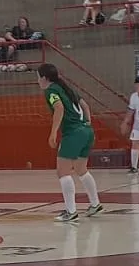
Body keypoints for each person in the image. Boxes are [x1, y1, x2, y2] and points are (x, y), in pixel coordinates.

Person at [37, 63, 103, 222]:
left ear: (44, 78)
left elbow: (59, 108)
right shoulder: (67, 88)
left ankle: (71, 211)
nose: (37, 81)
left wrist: (53, 132)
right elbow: (85, 106)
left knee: (63, 172)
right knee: (81, 169)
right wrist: (87, 123)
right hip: (86, 131)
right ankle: (95, 204)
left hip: (73, 133)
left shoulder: (51, 90)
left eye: (38, 77)